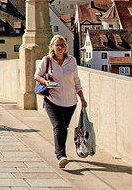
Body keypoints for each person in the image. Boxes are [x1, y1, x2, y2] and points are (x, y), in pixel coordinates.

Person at [35, 35, 87, 169]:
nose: (60, 47)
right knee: (58, 126)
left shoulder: (71, 60)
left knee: (64, 128)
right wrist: (46, 82)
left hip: (70, 101)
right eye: (58, 45)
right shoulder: (47, 60)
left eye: (63, 45)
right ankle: (61, 155)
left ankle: (61, 152)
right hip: (52, 100)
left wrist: (82, 97)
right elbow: (37, 76)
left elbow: (76, 80)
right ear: (52, 46)